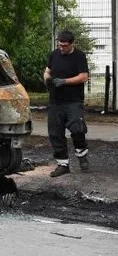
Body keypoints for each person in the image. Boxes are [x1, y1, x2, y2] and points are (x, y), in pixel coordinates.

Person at [43, 30, 90, 177]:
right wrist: (47, 79)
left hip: (73, 101)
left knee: (77, 129)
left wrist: (64, 82)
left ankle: (81, 155)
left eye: (64, 46)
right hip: (55, 101)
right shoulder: (54, 54)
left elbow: (83, 77)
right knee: (55, 133)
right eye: (59, 45)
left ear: (72, 44)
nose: (61, 48)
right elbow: (47, 71)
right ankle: (63, 165)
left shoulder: (79, 56)